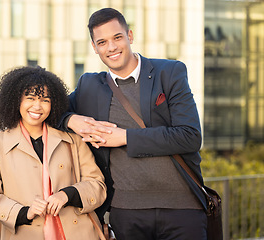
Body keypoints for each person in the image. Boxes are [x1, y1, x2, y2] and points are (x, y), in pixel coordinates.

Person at [59, 7, 208, 240]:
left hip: (182, 207)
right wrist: (71, 119)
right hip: (126, 211)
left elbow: (190, 136)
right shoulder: (89, 85)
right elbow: (49, 112)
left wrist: (125, 137)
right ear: (94, 48)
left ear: (129, 36)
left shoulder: (168, 73)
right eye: (102, 42)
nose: (111, 47)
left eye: (117, 37)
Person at [0, 66, 106, 240]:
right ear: (16, 101)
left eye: (45, 100)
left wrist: (67, 194)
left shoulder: (72, 139)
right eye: (30, 98)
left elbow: (97, 185)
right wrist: (23, 212)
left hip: (79, 232)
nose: (37, 106)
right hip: (25, 233)